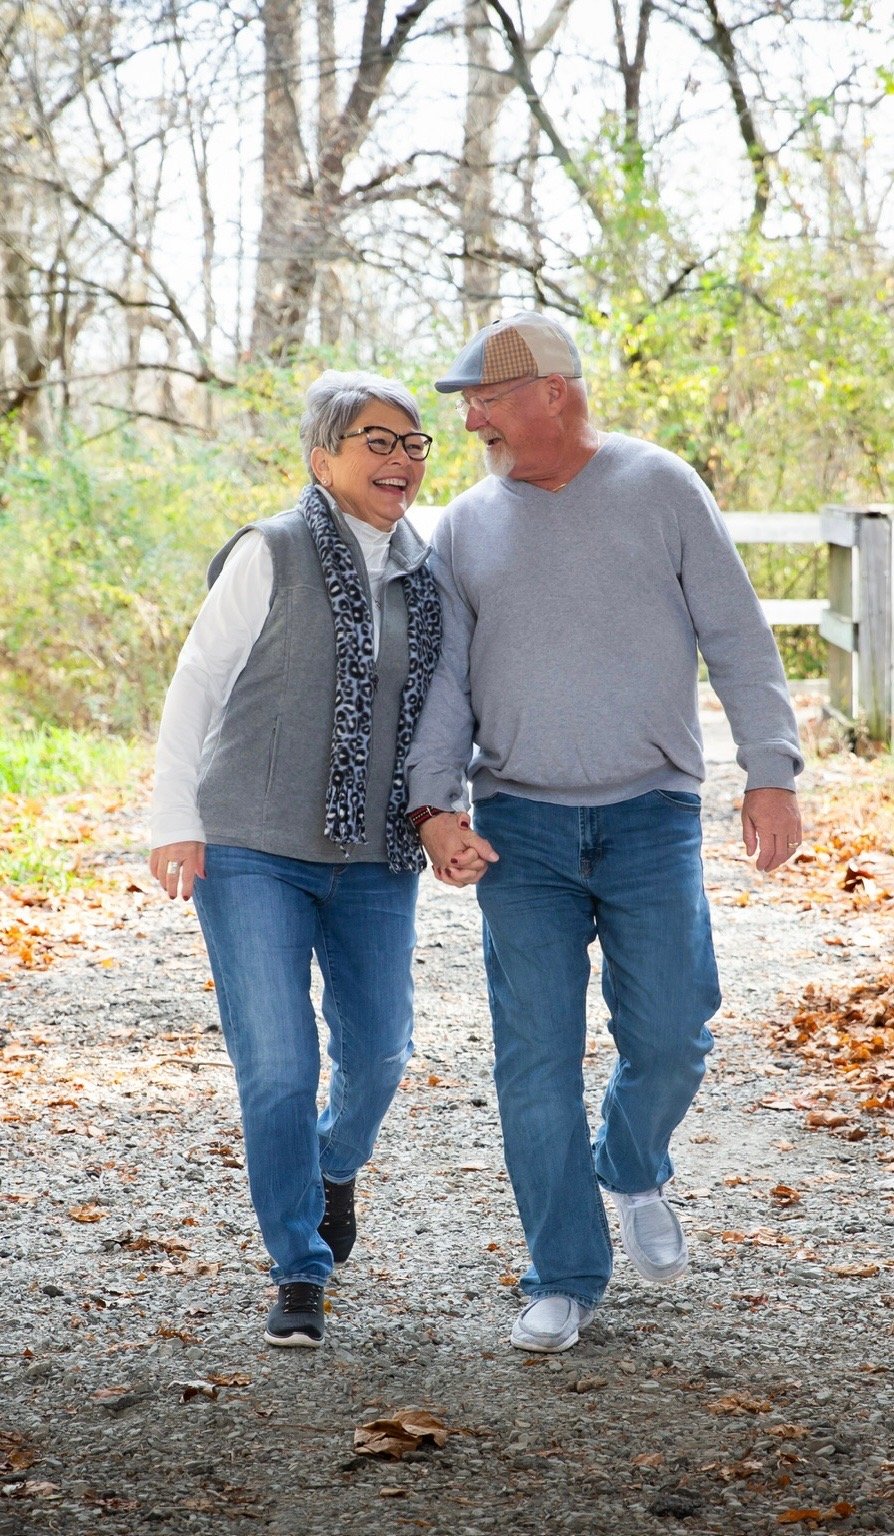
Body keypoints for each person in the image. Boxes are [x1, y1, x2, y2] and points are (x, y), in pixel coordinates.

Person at [405, 312, 803, 1354]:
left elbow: (739, 637)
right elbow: (443, 683)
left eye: (484, 399)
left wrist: (772, 771)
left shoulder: (661, 487)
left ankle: (630, 1164)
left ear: (555, 391)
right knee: (533, 1059)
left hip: (650, 814)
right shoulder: (462, 526)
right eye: (464, 404)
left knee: (672, 1033)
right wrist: (433, 805)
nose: (471, 419)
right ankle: (565, 1274)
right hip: (520, 826)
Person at [149, 370, 441, 1349]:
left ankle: (332, 1167)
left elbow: (444, 708)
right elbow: (197, 682)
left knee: (380, 1053)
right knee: (278, 1066)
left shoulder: (425, 569)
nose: (400, 459)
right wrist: (171, 817)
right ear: (323, 459)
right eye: (377, 440)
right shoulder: (269, 552)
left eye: (413, 443)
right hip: (250, 849)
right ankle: (298, 1267)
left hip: (374, 855)